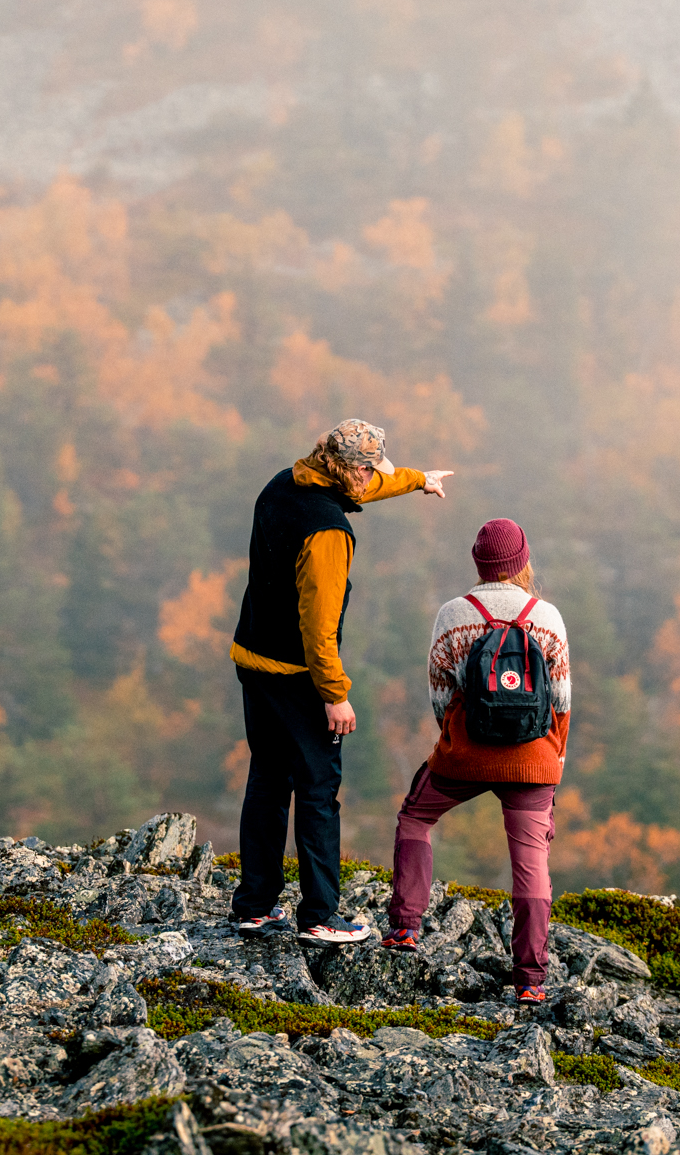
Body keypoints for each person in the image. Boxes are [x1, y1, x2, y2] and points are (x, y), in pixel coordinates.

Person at [228, 418, 453, 944]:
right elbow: (318, 624)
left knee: (266, 781)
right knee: (317, 791)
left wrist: (417, 479)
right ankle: (321, 916)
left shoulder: (284, 483)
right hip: (299, 677)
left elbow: (358, 488)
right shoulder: (329, 532)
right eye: (371, 470)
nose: (374, 479)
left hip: (253, 660)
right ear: (350, 469)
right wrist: (335, 695)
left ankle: (254, 905)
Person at [383, 518, 569, 1002]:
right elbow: (562, 702)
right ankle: (530, 981)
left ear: (479, 562)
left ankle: (405, 927)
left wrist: (459, 739)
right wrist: (554, 762)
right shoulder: (546, 616)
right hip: (532, 761)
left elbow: (440, 696)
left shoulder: (453, 613)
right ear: (522, 561)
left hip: (464, 756)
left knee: (416, 818)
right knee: (530, 861)